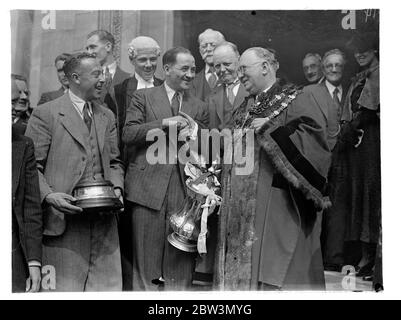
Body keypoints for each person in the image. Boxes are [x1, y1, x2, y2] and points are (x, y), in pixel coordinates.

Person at [215, 47, 331, 290]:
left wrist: (272, 131)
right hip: (242, 206)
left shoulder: (296, 97)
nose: (240, 75)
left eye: (244, 69)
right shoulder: (246, 106)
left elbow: (314, 141)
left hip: (278, 202)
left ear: (265, 67)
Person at [25, 52, 124, 291]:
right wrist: (50, 196)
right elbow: (29, 170)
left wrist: (118, 188)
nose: (102, 79)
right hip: (63, 227)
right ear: (75, 78)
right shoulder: (46, 114)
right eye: (96, 74)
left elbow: (114, 162)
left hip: (104, 227)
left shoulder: (106, 115)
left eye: (102, 72)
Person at [123, 47, 209, 290]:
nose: (191, 74)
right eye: (185, 68)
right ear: (167, 69)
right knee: (146, 267)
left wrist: (194, 133)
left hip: (185, 193)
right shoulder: (144, 97)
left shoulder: (200, 106)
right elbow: (128, 133)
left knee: (179, 265)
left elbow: (208, 147)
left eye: (193, 69)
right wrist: (163, 123)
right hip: (147, 190)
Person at [114, 36, 164, 291]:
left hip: (159, 174)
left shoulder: (166, 87)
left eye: (152, 59)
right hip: (129, 170)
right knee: (129, 239)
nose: (148, 64)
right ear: (132, 60)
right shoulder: (121, 89)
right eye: (142, 59)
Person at [334, 32, 380, 279]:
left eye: (364, 50)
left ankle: (374, 257)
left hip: (373, 143)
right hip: (356, 147)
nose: (360, 55)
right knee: (359, 196)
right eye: (356, 52)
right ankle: (364, 255)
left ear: (374, 50)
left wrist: (355, 127)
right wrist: (348, 131)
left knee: (372, 196)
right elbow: (349, 113)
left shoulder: (382, 73)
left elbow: (369, 111)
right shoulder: (358, 78)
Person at [302, 49, 347, 271]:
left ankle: (334, 258)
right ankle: (313, 259)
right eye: (329, 65)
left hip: (345, 161)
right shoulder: (310, 92)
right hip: (319, 158)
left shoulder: (350, 90)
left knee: (338, 209)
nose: (333, 69)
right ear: (324, 67)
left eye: (338, 65)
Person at [12, 78, 43, 292]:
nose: (16, 107)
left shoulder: (23, 145)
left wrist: (33, 261)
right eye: (10, 101)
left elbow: (31, 208)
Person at [86, 30, 131, 138]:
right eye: (87, 48)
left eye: (92, 47)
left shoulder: (129, 79)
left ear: (108, 47)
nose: (88, 52)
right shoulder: (85, 79)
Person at [190, 28, 225, 101]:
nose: (208, 49)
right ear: (200, 51)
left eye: (213, 45)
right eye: (204, 46)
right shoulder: (191, 81)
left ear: (223, 48)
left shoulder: (233, 78)